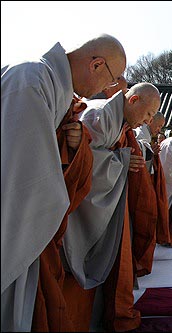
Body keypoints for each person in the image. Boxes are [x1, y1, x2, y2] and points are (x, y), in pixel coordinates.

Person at [1, 33, 126, 332]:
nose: (105, 91)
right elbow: (22, 177)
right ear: (96, 65)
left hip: (37, 223)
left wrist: (76, 144)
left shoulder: (56, 89)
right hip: (18, 221)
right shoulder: (31, 80)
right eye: (110, 81)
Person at [62, 82, 160, 331]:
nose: (149, 122)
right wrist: (123, 160)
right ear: (134, 100)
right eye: (149, 114)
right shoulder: (100, 115)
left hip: (107, 203)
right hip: (79, 212)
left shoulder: (119, 121)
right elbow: (81, 163)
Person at [134, 112, 170, 245]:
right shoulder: (140, 133)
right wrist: (150, 151)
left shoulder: (147, 135)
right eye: (159, 126)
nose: (159, 130)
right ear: (150, 121)